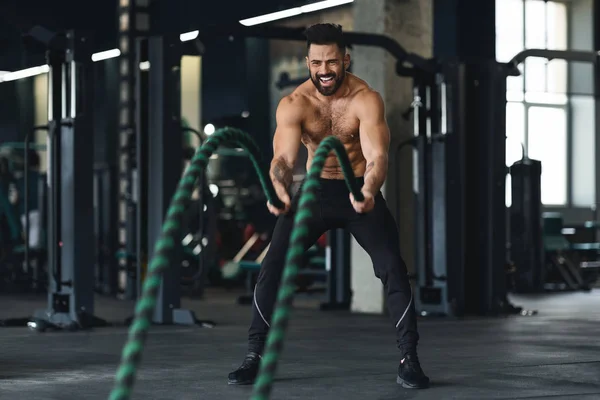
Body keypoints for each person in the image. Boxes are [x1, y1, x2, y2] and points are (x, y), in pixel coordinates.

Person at [228, 23, 429, 390]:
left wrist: (368, 189)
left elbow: (377, 156)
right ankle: (254, 355)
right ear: (307, 61)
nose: (324, 70)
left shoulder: (365, 99)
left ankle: (409, 358)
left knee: (393, 267)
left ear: (345, 59)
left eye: (332, 62)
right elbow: (284, 160)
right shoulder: (294, 104)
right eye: (317, 62)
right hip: (316, 193)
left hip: (358, 191)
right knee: (272, 266)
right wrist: (279, 189)